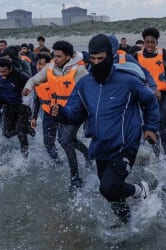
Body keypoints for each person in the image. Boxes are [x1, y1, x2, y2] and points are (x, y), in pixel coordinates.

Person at [50, 34, 159, 224]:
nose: (97, 63)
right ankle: (127, 223)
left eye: (101, 59)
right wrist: (60, 112)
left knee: (108, 187)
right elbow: (75, 114)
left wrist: (150, 127)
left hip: (126, 143)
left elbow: (150, 101)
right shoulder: (84, 84)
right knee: (111, 193)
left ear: (110, 56)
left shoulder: (127, 80)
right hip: (100, 145)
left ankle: (140, 189)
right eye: (92, 59)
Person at [23, 40, 89, 191]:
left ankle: (75, 178)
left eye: (59, 56)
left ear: (69, 56)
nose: (55, 59)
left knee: (65, 140)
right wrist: (28, 88)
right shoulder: (50, 67)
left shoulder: (80, 70)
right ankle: (83, 154)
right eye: (54, 55)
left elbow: (88, 92)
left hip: (73, 112)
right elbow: (34, 79)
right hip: (54, 110)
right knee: (57, 141)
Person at [0, 57, 31, 157]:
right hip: (7, 106)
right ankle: (27, 128)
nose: (2, 74)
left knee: (20, 133)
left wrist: (26, 102)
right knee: (6, 133)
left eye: (4, 71)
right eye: (0, 72)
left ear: (10, 68)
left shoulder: (20, 76)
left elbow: (31, 86)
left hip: (21, 106)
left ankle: (25, 156)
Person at [134, 27, 166, 156]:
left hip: (163, 94)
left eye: (152, 42)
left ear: (156, 43)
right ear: (144, 42)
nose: (150, 45)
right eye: (147, 42)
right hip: (145, 95)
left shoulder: (163, 53)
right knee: (150, 124)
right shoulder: (136, 56)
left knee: (162, 123)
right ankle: (157, 154)